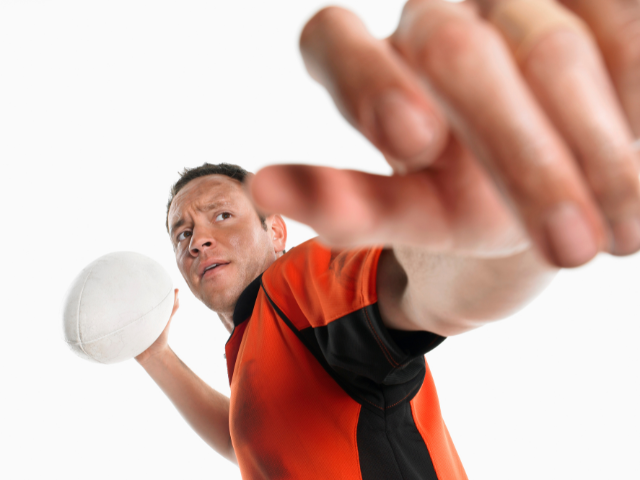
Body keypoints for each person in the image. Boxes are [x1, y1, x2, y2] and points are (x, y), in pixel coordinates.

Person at [136, 0, 640, 478]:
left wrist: (504, 236)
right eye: (182, 232)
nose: (197, 239)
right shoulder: (252, 346)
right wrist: (152, 352)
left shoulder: (295, 288)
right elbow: (238, 439)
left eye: (221, 215)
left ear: (276, 229)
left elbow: (419, 295)